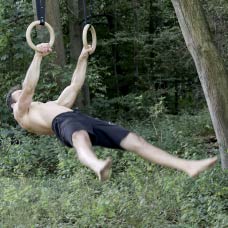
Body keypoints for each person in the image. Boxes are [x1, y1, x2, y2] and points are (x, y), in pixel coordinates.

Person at [6, 43, 217, 181]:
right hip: (63, 124)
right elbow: (29, 88)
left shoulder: (50, 105)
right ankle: (96, 164)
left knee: (134, 140)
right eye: (20, 95)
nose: (24, 95)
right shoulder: (21, 113)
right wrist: (37, 55)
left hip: (79, 117)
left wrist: (82, 57)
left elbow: (74, 85)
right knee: (80, 137)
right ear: (13, 104)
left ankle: (187, 166)